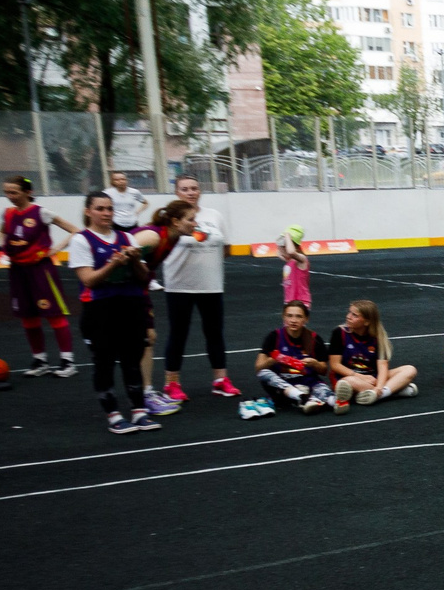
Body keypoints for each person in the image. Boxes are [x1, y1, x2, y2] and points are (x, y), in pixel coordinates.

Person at [65, 190, 161, 431]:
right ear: (88, 211)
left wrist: (135, 260)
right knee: (104, 362)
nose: (106, 213)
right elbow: (88, 280)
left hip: (130, 306)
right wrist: (113, 264)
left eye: (109, 209)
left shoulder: (127, 238)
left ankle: (139, 411)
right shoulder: (81, 240)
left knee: (132, 360)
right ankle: (114, 415)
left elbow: (143, 278)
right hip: (100, 309)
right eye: (100, 209)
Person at [159, 175, 238, 402]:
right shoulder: (169, 218)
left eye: (194, 188)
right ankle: (171, 383)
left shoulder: (214, 216)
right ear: (177, 192)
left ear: (200, 191)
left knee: (214, 334)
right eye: (185, 189)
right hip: (179, 286)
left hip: (211, 285)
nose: (190, 192)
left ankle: (220, 380)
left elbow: (226, 248)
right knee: (178, 334)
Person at [0, 175, 80, 376]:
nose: (10, 196)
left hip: (41, 270)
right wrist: (3, 244)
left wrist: (57, 249)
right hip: (18, 270)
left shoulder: (42, 213)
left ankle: (67, 362)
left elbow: (75, 230)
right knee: (28, 316)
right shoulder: (8, 214)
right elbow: (2, 233)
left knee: (54, 314)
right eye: (7, 192)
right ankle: (40, 360)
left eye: (14, 192)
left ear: (28, 192)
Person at [327, 298, 418, 408]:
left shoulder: (377, 337)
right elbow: (335, 365)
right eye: (349, 312)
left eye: (354, 315)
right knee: (347, 382)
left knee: (410, 369)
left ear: (367, 321)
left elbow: (383, 366)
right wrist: (359, 376)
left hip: (373, 378)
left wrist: (379, 387)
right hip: (348, 377)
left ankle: (378, 394)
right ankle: (394, 390)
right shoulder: (339, 333)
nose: (348, 316)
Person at [256, 300, 335, 412]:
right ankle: (302, 396)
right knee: (264, 373)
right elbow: (258, 368)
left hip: (308, 382)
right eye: (289, 316)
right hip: (284, 384)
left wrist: (315, 363)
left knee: (326, 392)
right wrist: (272, 360)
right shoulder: (274, 337)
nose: (293, 320)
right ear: (284, 317)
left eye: (298, 316)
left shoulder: (314, 339)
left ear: (306, 319)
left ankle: (322, 401)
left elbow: (323, 371)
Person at [279, 224, 313, 308]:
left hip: (301, 302)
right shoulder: (289, 261)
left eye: (285, 245)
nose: (283, 247)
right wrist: (283, 238)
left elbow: (291, 252)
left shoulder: (302, 260)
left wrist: (287, 235)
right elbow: (279, 251)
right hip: (289, 302)